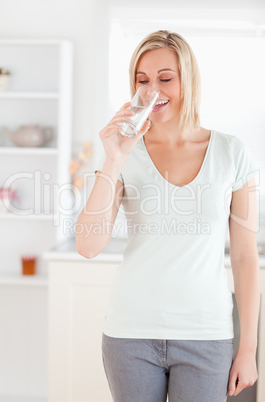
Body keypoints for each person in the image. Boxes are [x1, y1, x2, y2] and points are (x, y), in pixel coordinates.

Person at [76, 30, 260, 402]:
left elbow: (244, 257)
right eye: (142, 80)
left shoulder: (231, 152)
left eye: (165, 78)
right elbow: (88, 245)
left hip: (206, 336)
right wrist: (113, 158)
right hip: (130, 336)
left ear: (187, 81)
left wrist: (248, 349)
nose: (152, 90)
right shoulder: (124, 152)